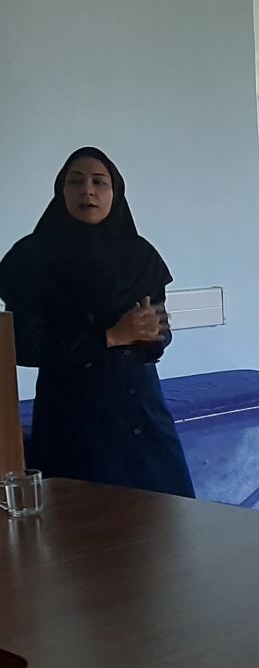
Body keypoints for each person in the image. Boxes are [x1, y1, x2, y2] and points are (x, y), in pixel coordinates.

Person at [0, 149, 194, 497]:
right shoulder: (31, 258)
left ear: (114, 192)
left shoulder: (140, 255)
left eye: (98, 182)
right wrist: (111, 336)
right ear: (61, 191)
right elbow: (25, 347)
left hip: (141, 412)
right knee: (85, 522)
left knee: (164, 518)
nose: (87, 191)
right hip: (73, 417)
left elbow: (159, 331)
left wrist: (154, 335)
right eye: (75, 182)